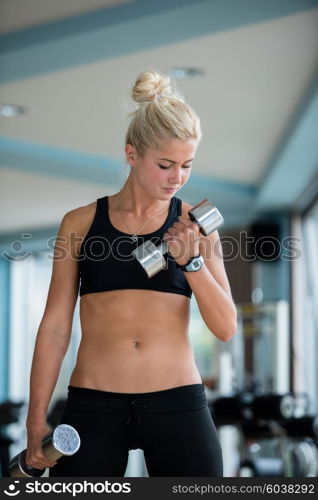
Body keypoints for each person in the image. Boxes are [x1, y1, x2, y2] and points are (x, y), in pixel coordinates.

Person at [25, 70, 237, 477]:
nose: (177, 178)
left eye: (187, 165)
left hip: (178, 401)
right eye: (165, 164)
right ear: (132, 154)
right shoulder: (81, 223)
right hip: (94, 403)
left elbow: (226, 327)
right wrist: (36, 420)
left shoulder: (197, 225)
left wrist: (191, 261)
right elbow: (55, 326)